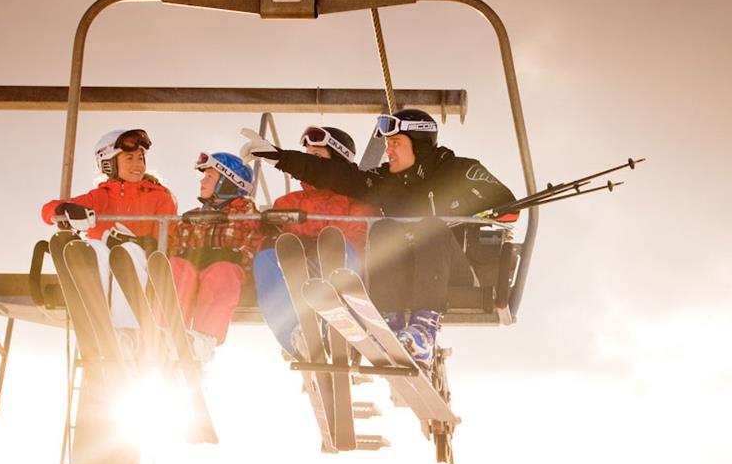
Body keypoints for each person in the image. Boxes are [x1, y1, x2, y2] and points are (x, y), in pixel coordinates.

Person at [253, 109, 515, 364]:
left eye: (396, 142)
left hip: (452, 269)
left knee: (431, 227)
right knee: (383, 229)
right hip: (405, 270)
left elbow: (507, 206)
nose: (388, 150)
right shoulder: (384, 181)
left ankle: (424, 330)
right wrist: (281, 158)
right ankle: (390, 321)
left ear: (420, 144)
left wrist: (463, 210)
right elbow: (336, 175)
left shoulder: (461, 171)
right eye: (387, 143)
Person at [168, 152, 266, 346]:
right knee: (177, 268)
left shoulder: (245, 212)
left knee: (221, 273)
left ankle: (204, 339)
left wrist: (234, 256)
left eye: (210, 177)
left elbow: (254, 243)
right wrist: (181, 254)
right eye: (204, 177)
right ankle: (168, 331)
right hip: (193, 271)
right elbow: (177, 245)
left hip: (226, 271)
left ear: (228, 183)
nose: (202, 182)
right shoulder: (193, 216)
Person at [42, 128, 177, 244]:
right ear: (109, 163)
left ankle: (122, 256)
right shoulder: (100, 197)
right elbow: (47, 211)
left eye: (140, 158)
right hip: (102, 261)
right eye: (129, 158)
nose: (137, 164)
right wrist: (65, 209)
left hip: (142, 263)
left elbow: (165, 242)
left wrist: (140, 244)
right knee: (97, 247)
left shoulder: (159, 197)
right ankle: (76, 260)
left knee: (127, 249)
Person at [267, 126, 380, 248]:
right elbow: (266, 237)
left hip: (341, 264)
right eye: (306, 155)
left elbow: (359, 243)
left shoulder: (358, 206)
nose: (309, 161)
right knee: (265, 256)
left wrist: (317, 249)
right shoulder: (287, 204)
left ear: (338, 161)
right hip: (291, 264)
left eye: (316, 155)